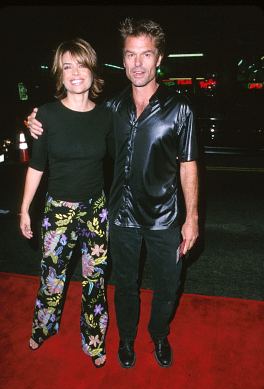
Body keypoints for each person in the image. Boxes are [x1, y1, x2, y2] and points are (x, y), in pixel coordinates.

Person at [27, 17, 199, 369]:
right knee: (124, 287)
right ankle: (125, 340)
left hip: (165, 216)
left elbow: (188, 164)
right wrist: (33, 119)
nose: (138, 63)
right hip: (120, 215)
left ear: (159, 59)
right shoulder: (112, 110)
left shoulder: (180, 108)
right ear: (122, 60)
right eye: (130, 55)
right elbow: (73, 116)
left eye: (146, 55)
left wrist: (192, 217)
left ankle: (159, 335)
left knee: (168, 287)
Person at [20, 38, 111, 368]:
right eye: (67, 66)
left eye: (82, 64)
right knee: (52, 279)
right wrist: (24, 209)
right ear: (60, 73)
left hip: (96, 212)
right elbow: (36, 165)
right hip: (57, 211)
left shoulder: (106, 117)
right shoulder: (45, 115)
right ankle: (44, 327)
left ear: (92, 71)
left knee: (95, 280)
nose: (75, 73)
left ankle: (94, 340)